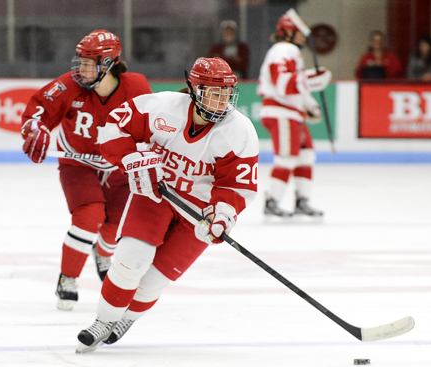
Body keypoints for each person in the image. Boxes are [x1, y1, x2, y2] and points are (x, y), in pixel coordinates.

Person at [75, 57, 259, 353]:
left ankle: (128, 318)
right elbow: (113, 128)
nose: (222, 101)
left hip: (198, 211)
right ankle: (103, 320)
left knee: (156, 279)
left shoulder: (239, 131)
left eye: (226, 93)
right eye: (214, 92)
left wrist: (222, 216)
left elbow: (235, 186)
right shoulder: (161, 107)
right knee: (131, 259)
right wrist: (130, 159)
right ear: (195, 90)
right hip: (156, 194)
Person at [20, 29, 152, 311]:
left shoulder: (137, 86)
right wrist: (35, 129)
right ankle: (67, 277)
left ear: (108, 63)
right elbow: (36, 111)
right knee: (90, 215)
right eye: (80, 60)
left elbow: (151, 126)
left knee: (118, 223)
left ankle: (103, 252)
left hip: (117, 165)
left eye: (89, 62)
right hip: (77, 163)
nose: (81, 68)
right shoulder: (68, 85)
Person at [257, 13, 331, 218]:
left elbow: (297, 86)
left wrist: (310, 105)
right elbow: (283, 84)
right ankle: (272, 201)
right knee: (287, 157)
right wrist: (310, 78)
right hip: (281, 112)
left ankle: (302, 201)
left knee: (306, 155)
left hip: (292, 113)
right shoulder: (283, 50)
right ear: (289, 32)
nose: (303, 38)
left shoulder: (291, 51)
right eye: (299, 32)